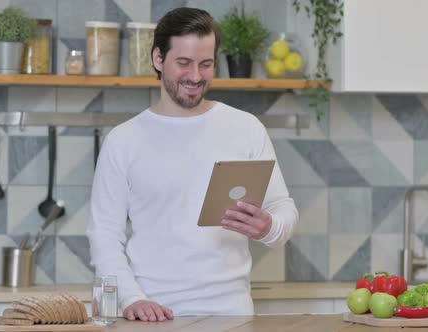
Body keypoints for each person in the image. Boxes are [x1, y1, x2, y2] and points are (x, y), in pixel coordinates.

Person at [86, 7, 298, 322]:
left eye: (206, 64)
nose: (196, 76)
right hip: (151, 317)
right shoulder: (124, 140)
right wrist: (132, 299)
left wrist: (270, 227)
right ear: (158, 58)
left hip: (232, 315)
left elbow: (284, 208)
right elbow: (103, 234)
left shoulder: (245, 128)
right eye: (184, 63)